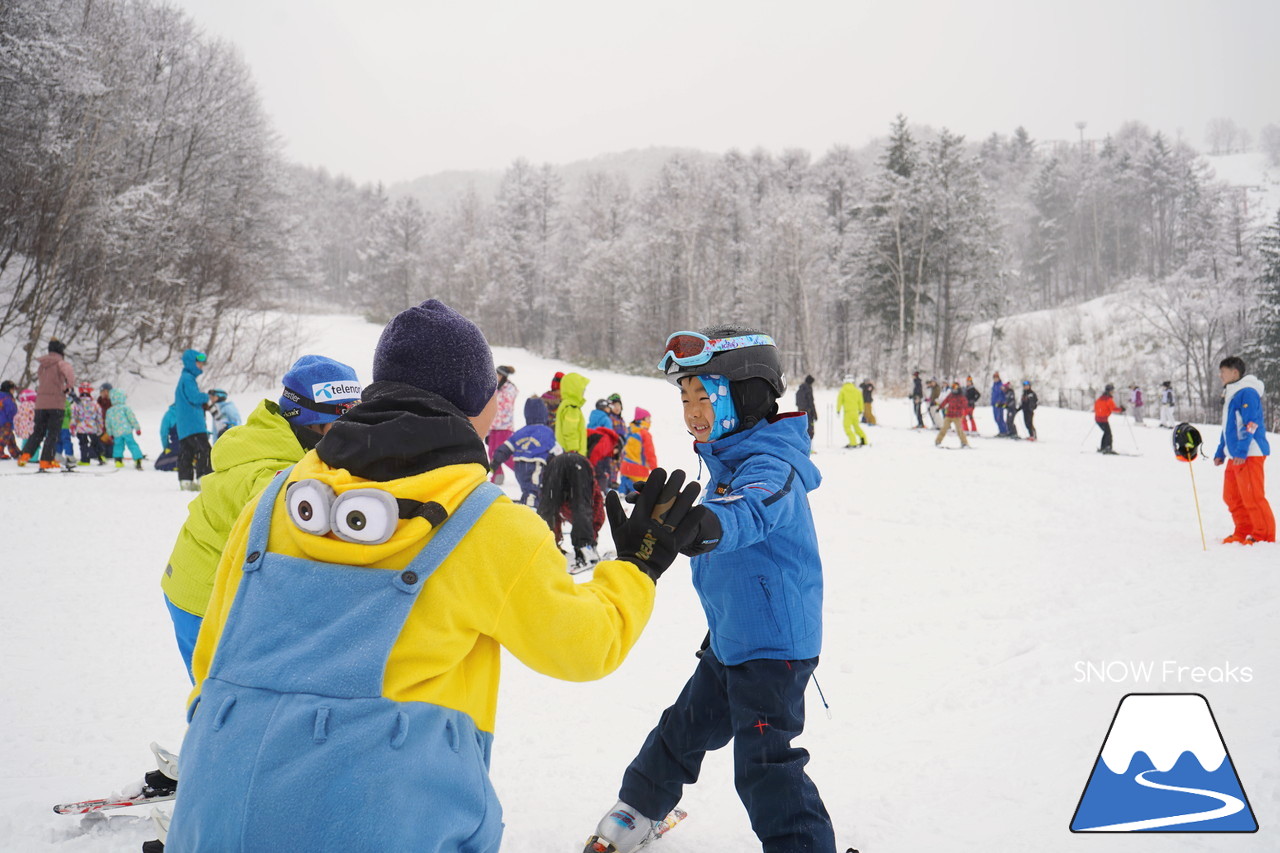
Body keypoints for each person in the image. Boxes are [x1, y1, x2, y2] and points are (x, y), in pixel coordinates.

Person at [167, 299, 704, 852]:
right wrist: (636, 569)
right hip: (382, 823)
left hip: (216, 814)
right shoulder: (486, 526)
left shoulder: (272, 502)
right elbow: (584, 646)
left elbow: (213, 658)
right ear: (478, 407)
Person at [588, 326, 835, 853]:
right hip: (730, 641)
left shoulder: (773, 465)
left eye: (705, 395)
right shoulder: (725, 460)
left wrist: (701, 526)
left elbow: (750, 511)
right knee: (681, 731)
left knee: (765, 763)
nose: (692, 409)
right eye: (684, 396)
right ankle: (637, 810)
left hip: (774, 653)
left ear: (746, 396)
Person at [161, 354, 363, 682]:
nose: (353, 432)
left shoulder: (283, 442)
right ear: (312, 422)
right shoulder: (273, 473)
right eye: (346, 420)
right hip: (205, 600)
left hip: (194, 583)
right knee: (224, 701)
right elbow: (297, 530)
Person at [1213, 356, 1274, 544]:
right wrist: (1220, 451)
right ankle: (1243, 530)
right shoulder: (1231, 393)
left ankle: (1263, 536)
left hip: (1250, 452)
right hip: (1235, 453)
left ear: (1234, 372)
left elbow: (1251, 424)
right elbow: (1228, 427)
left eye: (1223, 371)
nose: (1220, 375)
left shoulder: (1247, 392)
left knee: (1252, 496)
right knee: (1231, 496)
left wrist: (1241, 450)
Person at [490, 396, 560, 507]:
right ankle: (531, 509)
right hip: (536, 464)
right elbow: (556, 450)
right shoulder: (547, 431)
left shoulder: (521, 432)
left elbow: (507, 447)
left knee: (527, 488)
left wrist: (496, 461)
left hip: (519, 466)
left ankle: (527, 503)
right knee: (533, 491)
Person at [18, 339, 75, 470]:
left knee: (38, 432)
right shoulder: (61, 363)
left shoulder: (42, 365)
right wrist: (68, 386)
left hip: (41, 404)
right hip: (56, 404)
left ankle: (24, 456)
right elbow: (70, 372)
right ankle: (46, 461)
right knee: (53, 434)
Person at [174, 349, 212, 490]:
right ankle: (204, 479)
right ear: (191, 362)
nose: (202, 365)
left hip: (184, 427)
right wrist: (206, 397)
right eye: (199, 362)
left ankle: (186, 481)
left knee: (187, 452)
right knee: (205, 451)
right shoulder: (188, 379)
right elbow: (194, 397)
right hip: (194, 425)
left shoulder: (183, 378)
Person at [486, 365, 518, 485]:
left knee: (504, 454)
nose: (496, 377)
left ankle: (522, 470)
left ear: (503, 376)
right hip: (494, 426)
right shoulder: (495, 388)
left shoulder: (509, 389)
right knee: (491, 453)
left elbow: (504, 407)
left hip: (504, 427)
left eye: (498, 375)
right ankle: (498, 475)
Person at [619, 408, 658, 494]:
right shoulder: (644, 434)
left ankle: (624, 487)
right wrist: (655, 470)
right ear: (642, 420)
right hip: (639, 470)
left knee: (624, 496)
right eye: (648, 419)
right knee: (644, 492)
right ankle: (632, 488)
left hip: (625, 467)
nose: (650, 421)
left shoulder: (629, 431)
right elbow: (650, 453)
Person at [104, 388, 146, 469]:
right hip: (127, 431)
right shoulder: (126, 408)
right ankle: (137, 459)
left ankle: (118, 461)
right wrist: (137, 428)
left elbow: (107, 424)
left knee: (118, 445)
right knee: (132, 444)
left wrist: (110, 434)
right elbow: (132, 418)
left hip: (116, 433)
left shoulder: (109, 411)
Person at [70, 383, 107, 465]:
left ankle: (85, 460)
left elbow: (73, 417)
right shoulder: (94, 403)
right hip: (92, 427)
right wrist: (100, 428)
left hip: (81, 427)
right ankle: (101, 456)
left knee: (83, 444)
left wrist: (72, 428)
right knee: (95, 442)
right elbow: (99, 417)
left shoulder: (76, 404)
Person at [555, 371, 589, 456]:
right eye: (582, 389)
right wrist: (573, 450)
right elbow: (570, 431)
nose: (584, 392)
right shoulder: (572, 407)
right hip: (572, 454)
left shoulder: (566, 404)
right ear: (575, 389)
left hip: (565, 452)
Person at [936, 382, 971, 448]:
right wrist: (939, 408)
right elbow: (945, 401)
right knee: (944, 428)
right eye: (953, 387)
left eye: (956, 387)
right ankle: (938, 441)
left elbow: (965, 404)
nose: (954, 389)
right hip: (949, 415)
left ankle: (964, 443)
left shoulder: (961, 396)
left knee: (959, 430)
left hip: (957, 416)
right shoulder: (951, 395)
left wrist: (960, 407)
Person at [1094, 384, 1126, 455]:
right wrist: (1121, 409)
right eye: (1112, 391)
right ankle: (1108, 448)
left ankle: (1103, 447)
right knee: (1108, 434)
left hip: (1098, 419)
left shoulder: (1101, 398)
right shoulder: (1108, 399)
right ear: (1109, 391)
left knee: (1106, 433)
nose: (1113, 392)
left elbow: (1097, 406)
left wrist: (1100, 413)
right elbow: (1113, 408)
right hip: (1103, 419)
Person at [836, 375, 867, 447]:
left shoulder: (843, 390)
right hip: (855, 412)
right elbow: (860, 401)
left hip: (847, 413)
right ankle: (864, 439)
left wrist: (838, 410)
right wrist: (861, 410)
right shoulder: (857, 390)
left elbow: (839, 401)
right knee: (856, 427)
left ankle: (853, 442)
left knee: (847, 427)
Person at [156, 405, 181, 472]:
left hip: (177, 445)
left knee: (159, 464)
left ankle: (178, 464)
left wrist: (166, 448)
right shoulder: (192, 410)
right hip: (194, 444)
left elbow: (163, 433)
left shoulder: (170, 414)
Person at [0, 380, 18, 459]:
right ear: (8, 389)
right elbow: (11, 411)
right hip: (6, 421)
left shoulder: (2, 397)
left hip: (2, 420)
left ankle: (15, 452)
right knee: (4, 437)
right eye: (13, 389)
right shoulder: (7, 398)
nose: (14, 391)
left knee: (10, 437)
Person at [796, 374, 818, 440]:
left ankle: (804, 447)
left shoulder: (800, 389)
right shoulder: (808, 389)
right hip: (808, 413)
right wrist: (814, 414)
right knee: (810, 431)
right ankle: (809, 448)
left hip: (800, 413)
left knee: (803, 430)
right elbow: (811, 403)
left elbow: (797, 403)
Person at [990, 372, 1008, 436]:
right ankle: (1001, 431)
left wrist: (1002, 402)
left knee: (1000, 418)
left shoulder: (1001, 385)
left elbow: (1004, 394)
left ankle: (1004, 431)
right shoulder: (994, 385)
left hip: (1000, 404)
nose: (995, 379)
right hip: (994, 404)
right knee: (996, 419)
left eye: (996, 378)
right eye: (994, 378)